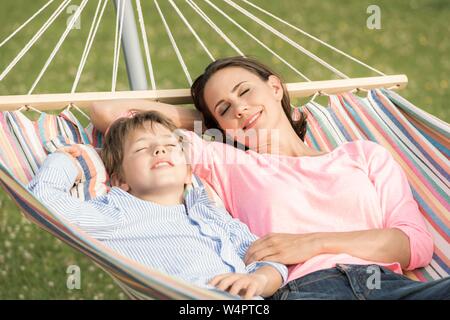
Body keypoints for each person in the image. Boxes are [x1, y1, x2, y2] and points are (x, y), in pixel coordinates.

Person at [90, 56, 450, 300]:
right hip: (310, 289)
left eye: (245, 92)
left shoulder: (364, 155)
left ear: (275, 87)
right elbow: (113, 115)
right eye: (225, 108)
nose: (240, 108)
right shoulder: (227, 161)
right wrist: (206, 122)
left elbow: (414, 245)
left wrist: (313, 243)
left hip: (391, 286)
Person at [27, 110, 288, 300]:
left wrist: (258, 279)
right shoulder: (116, 214)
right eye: (142, 149)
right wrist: (63, 161)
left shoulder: (211, 211)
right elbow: (42, 204)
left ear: (188, 173)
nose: (159, 151)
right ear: (120, 180)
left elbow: (268, 260)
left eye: (169, 146)